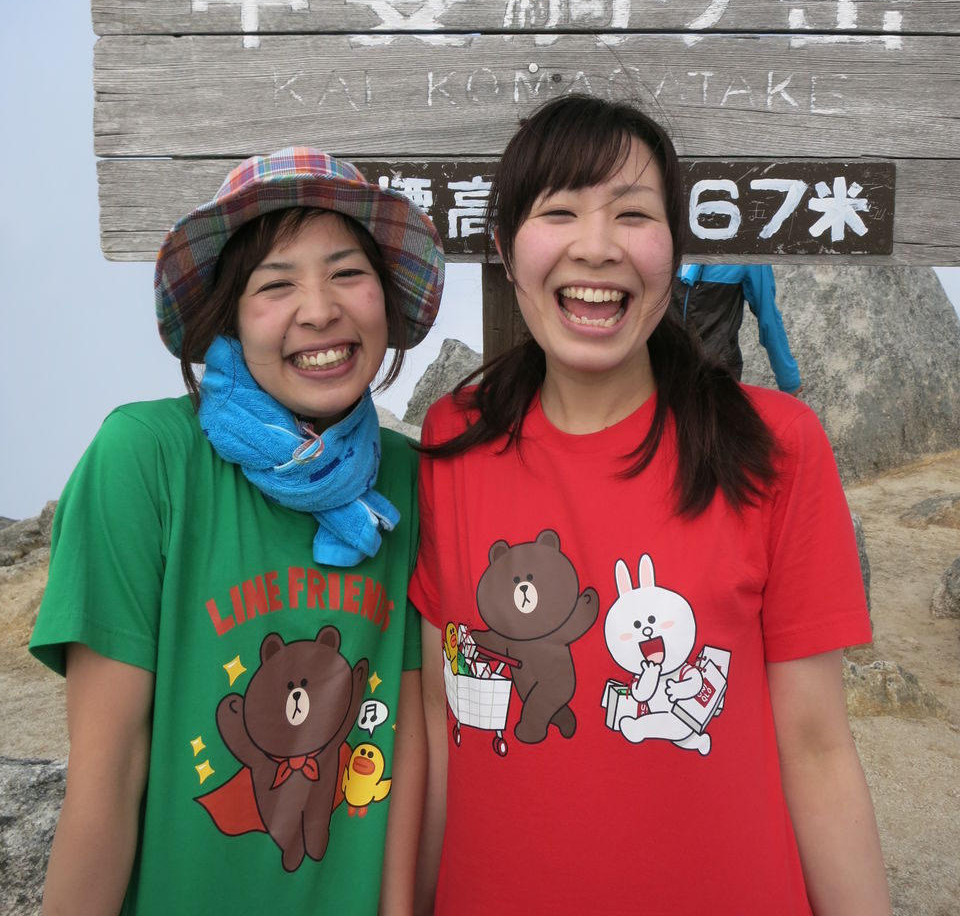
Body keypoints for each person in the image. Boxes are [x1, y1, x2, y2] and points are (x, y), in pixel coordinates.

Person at [410, 95, 890, 916]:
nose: (597, 246)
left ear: (675, 250)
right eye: (559, 212)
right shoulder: (454, 439)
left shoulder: (774, 446)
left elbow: (816, 747)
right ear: (504, 248)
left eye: (633, 214)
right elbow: (440, 718)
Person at [30, 148, 445, 916]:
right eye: (275, 284)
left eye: (347, 273)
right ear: (227, 319)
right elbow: (108, 774)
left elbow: (415, 745)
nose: (318, 310)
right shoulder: (144, 459)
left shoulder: (413, 483)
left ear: (385, 301)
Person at [674, 262, 802, 393]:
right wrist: (789, 381)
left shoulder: (747, 255)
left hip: (717, 376)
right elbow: (769, 318)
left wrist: (788, 379)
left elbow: (768, 318)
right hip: (671, 372)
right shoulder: (670, 252)